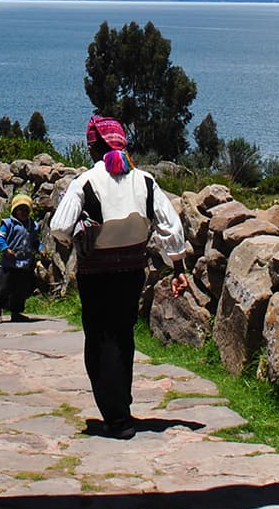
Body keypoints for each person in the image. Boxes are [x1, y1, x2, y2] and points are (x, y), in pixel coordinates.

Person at [47, 114, 186, 439]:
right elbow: (171, 226)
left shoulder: (85, 183)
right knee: (123, 336)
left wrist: (79, 237)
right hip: (131, 273)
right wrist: (178, 268)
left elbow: (58, 227)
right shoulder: (145, 181)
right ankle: (121, 404)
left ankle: (117, 416)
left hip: (96, 275)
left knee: (99, 340)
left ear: (92, 149)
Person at [0, 195, 41, 323]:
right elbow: (0, 237)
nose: (24, 213)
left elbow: (35, 241)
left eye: (26, 210)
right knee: (4, 288)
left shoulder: (33, 226)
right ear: (14, 210)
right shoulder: (8, 224)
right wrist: (6, 249)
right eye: (21, 210)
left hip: (24, 264)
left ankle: (16, 312)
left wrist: (40, 248)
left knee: (20, 290)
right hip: (9, 263)